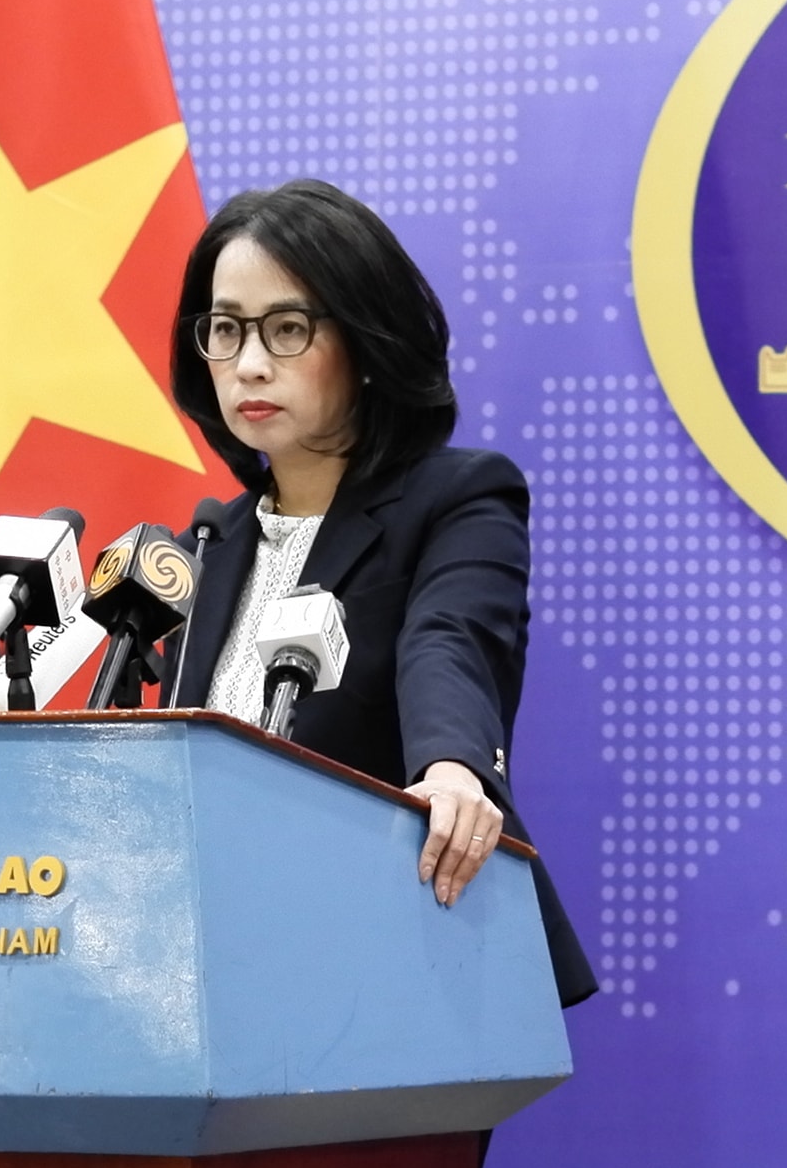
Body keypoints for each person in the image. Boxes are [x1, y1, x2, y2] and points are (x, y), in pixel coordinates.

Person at [165, 180, 595, 1008]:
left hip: (406, 952)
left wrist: (450, 766)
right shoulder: (208, 544)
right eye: (225, 329)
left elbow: (448, 641)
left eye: (287, 328)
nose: (249, 362)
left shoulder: (458, 500)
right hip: (219, 968)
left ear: (365, 342)